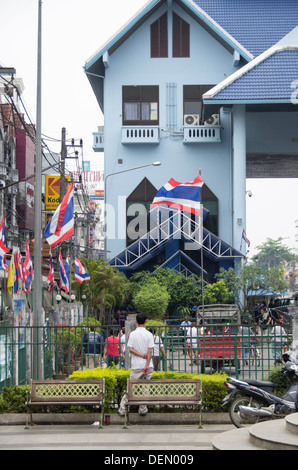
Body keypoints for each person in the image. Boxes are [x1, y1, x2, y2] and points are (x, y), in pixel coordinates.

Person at [118, 313, 154, 417]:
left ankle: (122, 409)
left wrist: (141, 355)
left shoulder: (133, 334)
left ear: (136, 321)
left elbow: (130, 349)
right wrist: (147, 363)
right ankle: (143, 409)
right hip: (148, 365)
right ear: (146, 321)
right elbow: (150, 351)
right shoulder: (149, 334)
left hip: (136, 365)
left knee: (131, 388)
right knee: (145, 389)